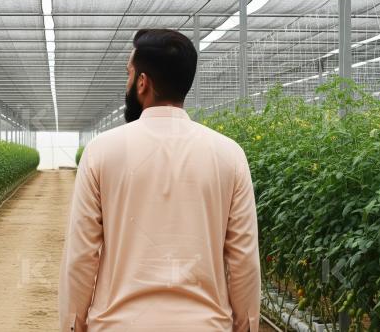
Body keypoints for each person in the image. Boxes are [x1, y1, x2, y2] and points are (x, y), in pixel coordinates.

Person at [59, 29, 260, 331]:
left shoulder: (101, 151)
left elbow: (82, 255)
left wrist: (72, 324)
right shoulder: (229, 155)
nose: (127, 83)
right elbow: (244, 259)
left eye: (129, 74)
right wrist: (246, 325)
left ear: (143, 82)